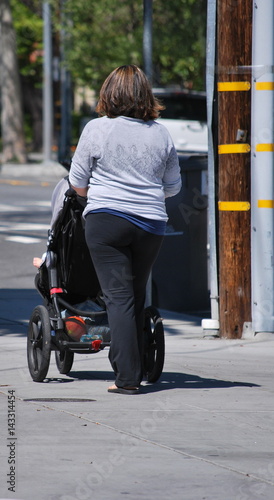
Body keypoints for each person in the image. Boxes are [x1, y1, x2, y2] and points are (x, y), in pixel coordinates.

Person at [69, 65, 182, 395]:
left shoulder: (97, 129)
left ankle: (128, 378)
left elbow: (77, 182)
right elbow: (173, 186)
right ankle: (133, 365)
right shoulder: (160, 133)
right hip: (151, 224)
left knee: (118, 298)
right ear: (145, 95)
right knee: (133, 296)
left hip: (107, 222)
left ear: (109, 93)